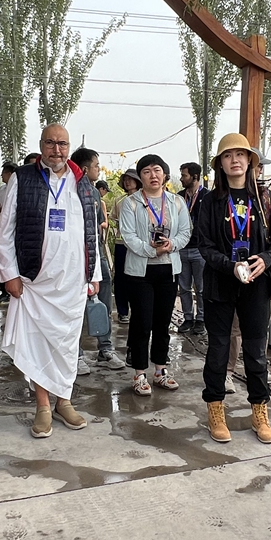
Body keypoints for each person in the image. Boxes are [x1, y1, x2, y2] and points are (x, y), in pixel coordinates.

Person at [0, 124, 101, 439]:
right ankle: (43, 406)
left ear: (69, 148)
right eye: (51, 143)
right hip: (33, 281)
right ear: (41, 145)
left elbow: (92, 232)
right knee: (38, 344)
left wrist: (93, 275)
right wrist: (9, 274)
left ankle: (64, 401)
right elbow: (6, 230)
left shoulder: (82, 183)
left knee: (68, 345)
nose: (57, 150)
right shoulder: (23, 178)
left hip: (72, 281)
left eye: (63, 144)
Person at [196, 134, 271, 444]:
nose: (235, 160)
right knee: (218, 350)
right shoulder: (210, 201)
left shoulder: (264, 198)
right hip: (221, 284)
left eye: (241, 154)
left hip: (256, 285)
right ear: (220, 164)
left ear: (250, 161)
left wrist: (265, 258)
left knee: (255, 353)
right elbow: (204, 245)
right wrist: (229, 265)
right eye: (227, 155)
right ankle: (216, 409)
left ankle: (260, 411)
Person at [119, 155, 190, 395]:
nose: (153, 175)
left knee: (162, 322)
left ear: (165, 174)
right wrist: (151, 249)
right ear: (141, 177)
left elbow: (185, 232)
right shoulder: (130, 204)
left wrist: (171, 245)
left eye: (157, 170)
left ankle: (160, 371)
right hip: (140, 271)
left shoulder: (177, 202)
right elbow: (128, 236)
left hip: (168, 269)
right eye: (147, 171)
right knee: (142, 322)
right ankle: (140, 373)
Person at [224, 158, 271, 393]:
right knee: (233, 328)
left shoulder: (263, 196)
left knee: (258, 329)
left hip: (259, 273)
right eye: (258, 166)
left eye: (261, 166)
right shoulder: (223, 197)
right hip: (231, 274)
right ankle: (228, 372)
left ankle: (257, 371)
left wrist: (266, 258)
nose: (260, 170)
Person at [71, 147, 128, 371]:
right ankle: (76, 354)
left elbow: (97, 224)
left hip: (98, 254)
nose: (98, 169)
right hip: (77, 256)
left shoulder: (95, 192)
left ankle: (106, 349)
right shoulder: (69, 190)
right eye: (96, 165)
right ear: (84, 169)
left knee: (104, 300)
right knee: (77, 305)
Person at [176, 162, 209, 335]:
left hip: (199, 249)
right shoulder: (179, 197)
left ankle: (201, 320)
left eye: (184, 175)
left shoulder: (208, 196)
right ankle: (188, 318)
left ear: (195, 177)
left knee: (201, 287)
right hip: (181, 248)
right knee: (184, 287)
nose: (181, 178)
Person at [112, 168, 142, 323]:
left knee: (138, 277)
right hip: (121, 243)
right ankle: (123, 311)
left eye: (130, 179)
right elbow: (114, 219)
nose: (127, 182)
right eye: (125, 180)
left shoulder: (144, 199)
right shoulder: (119, 200)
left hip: (139, 245)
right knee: (121, 278)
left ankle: (139, 309)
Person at [0, 161, 19, 306]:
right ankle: (4, 291)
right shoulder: (3, 190)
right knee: (0, 258)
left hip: (16, 232)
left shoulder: (21, 187)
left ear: (10, 174)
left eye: (3, 173)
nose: (1, 175)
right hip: (3, 230)